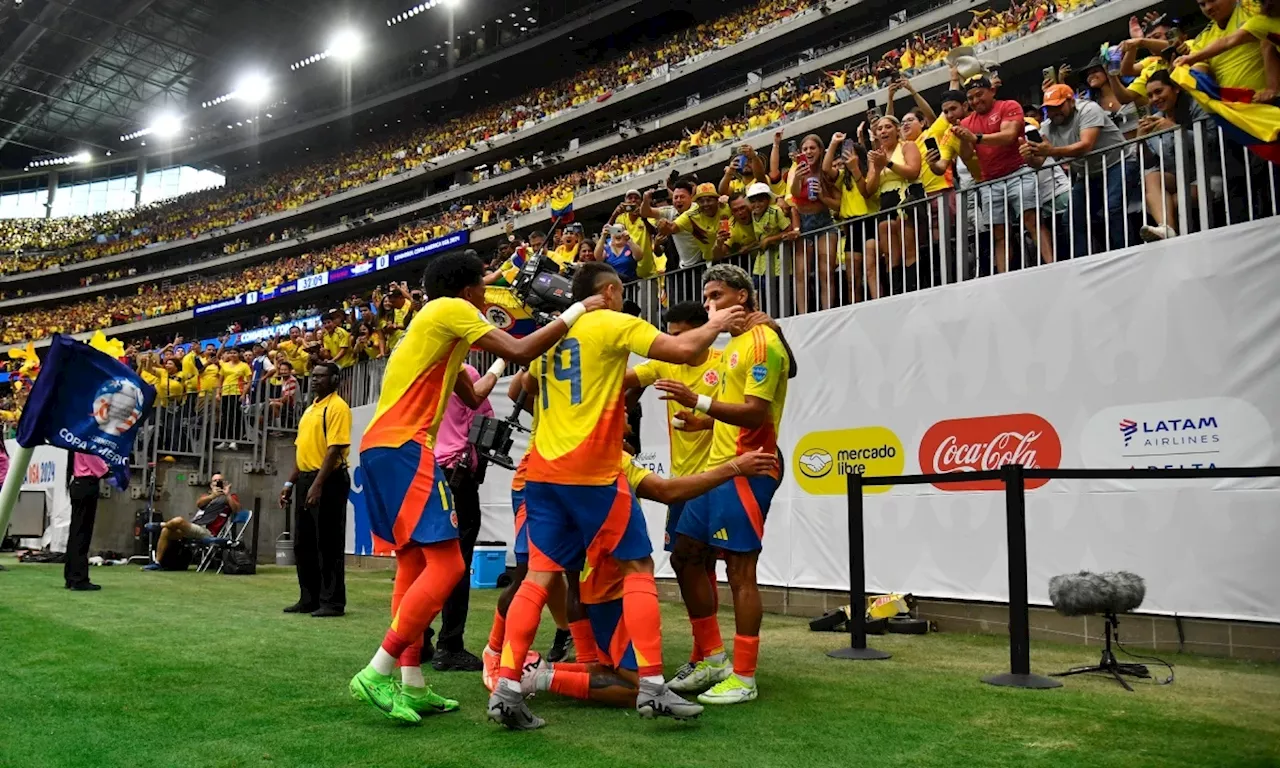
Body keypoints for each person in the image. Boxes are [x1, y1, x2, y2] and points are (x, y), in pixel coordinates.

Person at [350, 249, 606, 725]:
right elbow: (518, 349)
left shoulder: (435, 324)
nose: (487, 296)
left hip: (383, 447)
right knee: (448, 566)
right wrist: (576, 311)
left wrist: (500, 371)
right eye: (483, 289)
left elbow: (473, 393)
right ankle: (376, 668)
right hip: (406, 447)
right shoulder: (452, 308)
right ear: (469, 291)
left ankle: (413, 683)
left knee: (415, 564)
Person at [487, 261, 744, 730]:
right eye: (621, 291)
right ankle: (651, 685)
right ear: (609, 291)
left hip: (541, 471)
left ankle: (507, 685)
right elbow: (685, 350)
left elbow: (526, 385)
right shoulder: (611, 320)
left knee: (539, 578)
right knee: (638, 568)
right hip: (593, 471)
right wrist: (719, 323)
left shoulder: (550, 337)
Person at [524, 448, 780, 708]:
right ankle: (538, 677)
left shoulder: (563, 456)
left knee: (607, 668)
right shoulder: (613, 458)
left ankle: (534, 667)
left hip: (595, 582)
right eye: (623, 411)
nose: (626, 415)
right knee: (637, 688)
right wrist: (734, 467)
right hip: (613, 589)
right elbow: (666, 491)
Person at [654, 264, 790, 705]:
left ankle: (745, 678)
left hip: (748, 468)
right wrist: (705, 418)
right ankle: (713, 658)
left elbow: (755, 413)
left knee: (739, 569)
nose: (710, 304)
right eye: (707, 297)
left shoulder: (762, 341)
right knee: (686, 556)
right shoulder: (737, 344)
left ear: (743, 297)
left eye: (717, 296)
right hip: (716, 468)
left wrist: (699, 400)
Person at [425, 363, 495, 671]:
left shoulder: (422, 371)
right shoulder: (466, 373)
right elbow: (485, 423)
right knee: (457, 561)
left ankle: (417, 641)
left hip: (424, 472)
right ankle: (450, 645)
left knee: (425, 561)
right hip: (456, 473)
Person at [952, 76, 1055, 272]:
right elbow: (966, 155)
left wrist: (976, 138)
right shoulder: (967, 121)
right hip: (990, 181)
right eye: (971, 98)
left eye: (979, 94)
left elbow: (1009, 136)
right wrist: (964, 139)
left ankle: (1052, 264)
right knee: (998, 232)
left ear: (992, 91)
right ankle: (1003, 275)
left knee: (1031, 220)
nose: (975, 101)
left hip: (1019, 171)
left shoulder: (1008, 106)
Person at [1021, 84, 1137, 257]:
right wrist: (1029, 156)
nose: (1054, 112)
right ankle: (1082, 261)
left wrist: (1051, 151)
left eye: (1058, 106)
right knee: (1072, 219)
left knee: (1113, 208)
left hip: (1118, 161)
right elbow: (1038, 163)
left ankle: (1126, 254)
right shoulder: (1047, 127)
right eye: (1050, 109)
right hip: (1088, 173)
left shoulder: (1089, 109)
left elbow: (1086, 145)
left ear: (1071, 101)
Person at [279, 362, 352, 617]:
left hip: (329, 479)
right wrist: (290, 483)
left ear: (335, 379)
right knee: (304, 543)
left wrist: (318, 485)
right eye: (313, 376)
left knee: (328, 543)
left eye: (321, 376)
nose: (315, 380)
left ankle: (332, 602)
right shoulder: (310, 409)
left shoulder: (337, 407)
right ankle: (308, 598)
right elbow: (302, 450)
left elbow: (333, 450)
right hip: (306, 478)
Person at [144, 473, 241, 571]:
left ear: (224, 483)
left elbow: (236, 509)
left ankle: (160, 525)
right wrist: (212, 496)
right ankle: (157, 563)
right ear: (211, 484)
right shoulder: (208, 496)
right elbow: (199, 504)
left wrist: (227, 494)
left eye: (219, 481)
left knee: (179, 520)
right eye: (214, 481)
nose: (217, 483)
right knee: (166, 530)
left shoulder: (230, 496)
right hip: (195, 526)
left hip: (208, 531)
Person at [65, 452, 109, 591]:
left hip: (78, 483)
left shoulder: (76, 441)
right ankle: (79, 578)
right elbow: (96, 464)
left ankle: (71, 576)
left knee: (76, 532)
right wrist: (107, 470)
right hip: (86, 484)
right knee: (82, 533)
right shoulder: (86, 443)